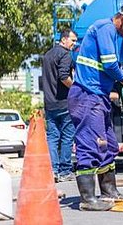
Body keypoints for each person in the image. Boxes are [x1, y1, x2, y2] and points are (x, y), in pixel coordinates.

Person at [67, 0, 123, 211]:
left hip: (99, 97)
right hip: (86, 95)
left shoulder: (116, 36)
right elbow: (110, 63)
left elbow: (113, 65)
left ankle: (109, 191)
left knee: (109, 145)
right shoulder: (105, 28)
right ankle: (87, 199)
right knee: (91, 144)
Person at [42, 29, 78, 183]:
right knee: (67, 137)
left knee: (52, 137)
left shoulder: (47, 55)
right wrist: (76, 87)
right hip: (64, 103)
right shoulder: (64, 54)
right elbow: (64, 76)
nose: (74, 44)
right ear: (64, 40)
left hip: (50, 103)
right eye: (73, 40)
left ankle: (53, 171)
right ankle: (64, 171)